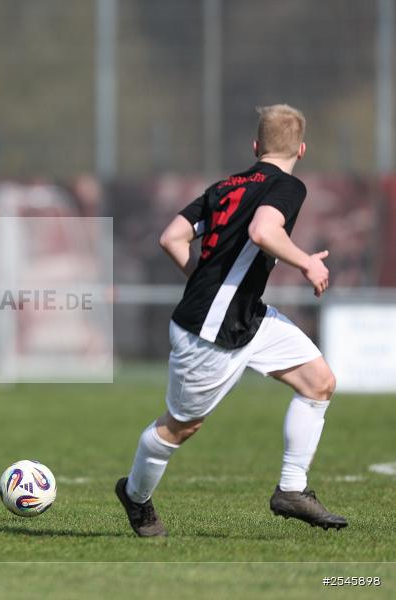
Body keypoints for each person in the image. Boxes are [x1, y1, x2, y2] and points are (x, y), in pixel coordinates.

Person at [114, 104, 347, 536]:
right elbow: (263, 231)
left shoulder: (226, 186)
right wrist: (306, 264)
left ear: (256, 146)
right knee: (181, 426)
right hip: (209, 330)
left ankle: (292, 491)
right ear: (301, 148)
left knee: (319, 383)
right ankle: (135, 495)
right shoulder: (289, 186)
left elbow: (172, 237)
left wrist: (207, 279)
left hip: (248, 318)